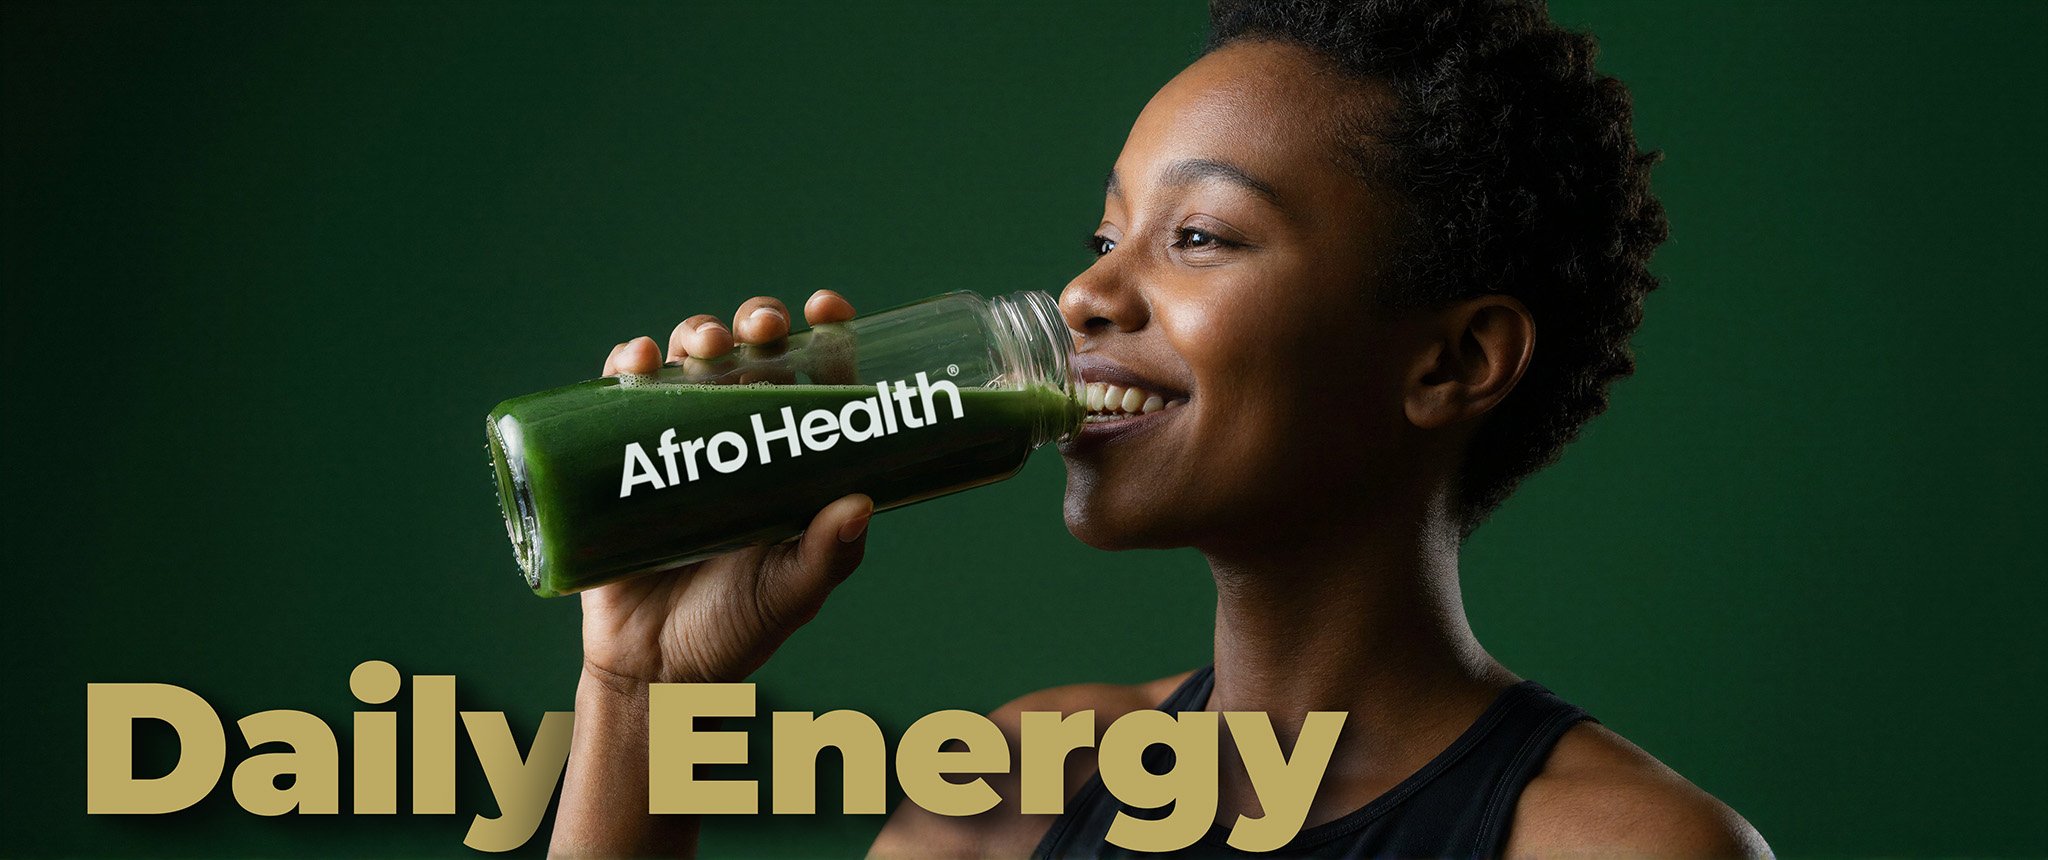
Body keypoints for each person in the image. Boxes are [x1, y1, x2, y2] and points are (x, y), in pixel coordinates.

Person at [551, 1, 1769, 856]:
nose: (1084, 296)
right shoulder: (1012, 789)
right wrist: (642, 689)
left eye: (1198, 236)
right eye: (1104, 237)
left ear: (1451, 359)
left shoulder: (1617, 844)